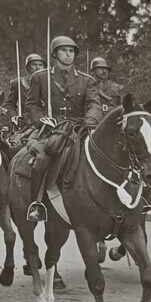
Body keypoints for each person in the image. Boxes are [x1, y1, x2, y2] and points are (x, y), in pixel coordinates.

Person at [23, 35, 98, 222]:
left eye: (71, 51)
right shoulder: (40, 77)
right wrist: (41, 120)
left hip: (80, 127)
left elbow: (94, 104)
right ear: (55, 54)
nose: (68, 55)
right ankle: (37, 203)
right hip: (52, 128)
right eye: (63, 51)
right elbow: (31, 104)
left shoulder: (86, 80)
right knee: (41, 158)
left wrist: (90, 119)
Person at [5, 52, 44, 126]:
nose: (38, 67)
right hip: (25, 122)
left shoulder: (48, 83)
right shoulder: (18, 83)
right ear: (28, 67)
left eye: (40, 65)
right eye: (34, 64)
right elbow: (9, 104)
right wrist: (14, 116)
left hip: (44, 121)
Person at [85, 56, 125, 128]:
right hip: (92, 123)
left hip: (113, 123)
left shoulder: (116, 87)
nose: (104, 71)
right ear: (93, 71)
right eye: (100, 68)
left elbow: (123, 107)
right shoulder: (85, 86)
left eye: (106, 69)